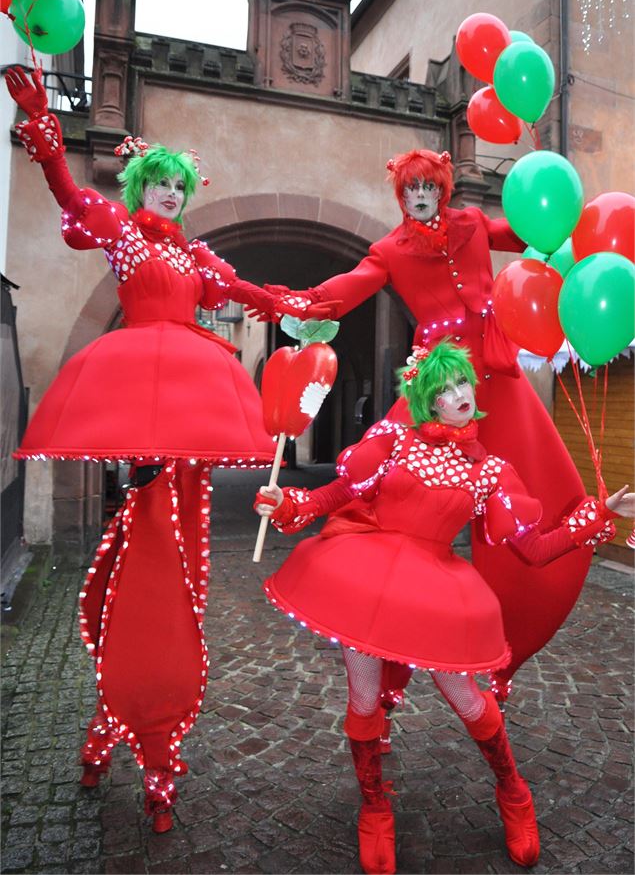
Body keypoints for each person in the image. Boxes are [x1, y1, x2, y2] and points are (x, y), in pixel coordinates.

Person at [4, 66, 331, 832]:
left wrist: (300, 304)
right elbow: (71, 197)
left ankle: (144, 731)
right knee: (144, 554)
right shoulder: (120, 234)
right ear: (142, 188)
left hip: (183, 405)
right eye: (160, 185)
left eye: (179, 187)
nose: (171, 196)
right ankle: (129, 721)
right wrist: (48, 137)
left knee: (177, 563)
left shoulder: (194, 257)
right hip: (138, 391)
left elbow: (245, 292)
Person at [255, 341, 632, 874]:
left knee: (469, 702)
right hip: (365, 585)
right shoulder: (394, 442)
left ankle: (513, 791)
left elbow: (533, 548)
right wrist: (288, 503)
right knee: (363, 702)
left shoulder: (490, 473)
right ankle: (375, 805)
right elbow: (340, 492)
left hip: (435, 595)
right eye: (446, 388)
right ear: (427, 399)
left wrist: (593, 516)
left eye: (464, 385)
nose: (459, 395)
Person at [265, 148, 596, 709]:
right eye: (410, 190)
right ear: (402, 197)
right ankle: (382, 653)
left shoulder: (470, 224)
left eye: (429, 187)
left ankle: (516, 631)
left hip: (494, 372)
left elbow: (523, 233)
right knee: (379, 483)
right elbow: (349, 286)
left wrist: (571, 225)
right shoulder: (391, 249)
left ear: (443, 189)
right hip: (438, 383)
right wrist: (291, 298)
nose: (421, 197)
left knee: (540, 484)